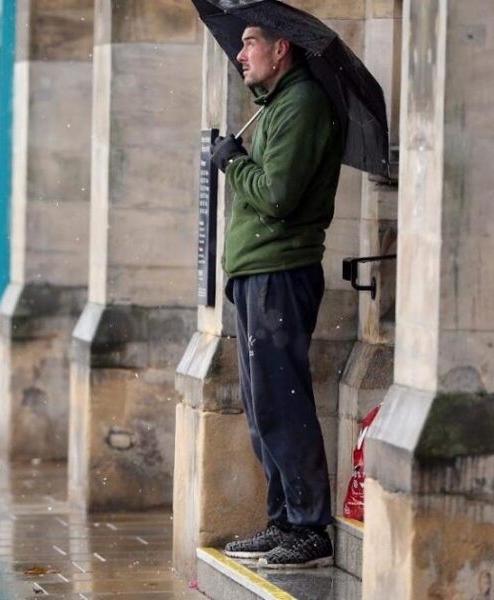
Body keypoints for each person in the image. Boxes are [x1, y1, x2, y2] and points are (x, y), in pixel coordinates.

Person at [210, 25, 344, 569]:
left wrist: (233, 163)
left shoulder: (303, 103)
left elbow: (278, 195)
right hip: (256, 273)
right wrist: (240, 155)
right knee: (263, 405)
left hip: (279, 273)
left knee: (283, 404)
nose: (241, 55)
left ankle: (311, 529)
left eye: (250, 43)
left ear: (280, 47)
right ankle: (284, 520)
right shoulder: (275, 105)